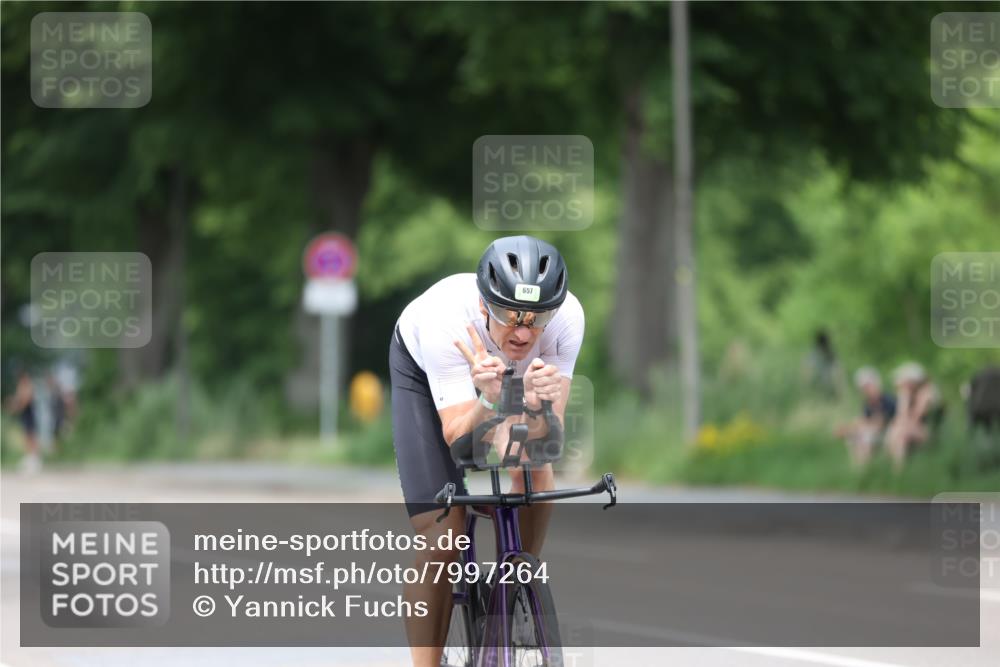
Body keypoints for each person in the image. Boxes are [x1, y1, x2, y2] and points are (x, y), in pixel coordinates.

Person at [389, 235, 583, 666]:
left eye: (536, 319)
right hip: (428, 373)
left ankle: (519, 584)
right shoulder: (445, 323)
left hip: (500, 385)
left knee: (535, 468)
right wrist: (492, 401)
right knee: (444, 533)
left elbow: (546, 440)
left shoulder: (568, 319)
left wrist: (533, 406)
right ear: (484, 306)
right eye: (510, 316)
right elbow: (461, 441)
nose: (522, 332)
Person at [885, 362, 942, 471]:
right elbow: (901, 417)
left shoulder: (927, 393)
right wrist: (904, 397)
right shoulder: (906, 394)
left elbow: (916, 418)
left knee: (897, 433)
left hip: (928, 432)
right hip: (908, 431)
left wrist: (904, 398)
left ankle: (896, 473)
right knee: (899, 437)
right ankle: (898, 473)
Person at [835, 367, 896, 468]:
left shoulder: (887, 400)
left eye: (868, 386)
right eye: (863, 388)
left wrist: (855, 428)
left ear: (876, 384)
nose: (866, 390)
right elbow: (862, 420)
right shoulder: (867, 404)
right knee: (853, 438)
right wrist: (849, 428)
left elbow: (880, 423)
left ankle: (864, 469)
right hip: (874, 432)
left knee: (864, 437)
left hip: (889, 432)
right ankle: (859, 469)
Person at [6, 370, 41, 473]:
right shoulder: (21, 386)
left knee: (31, 436)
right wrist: (14, 404)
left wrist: (15, 406)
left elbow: (25, 400)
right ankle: (29, 458)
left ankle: (34, 460)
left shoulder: (28, 386)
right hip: (25, 415)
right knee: (26, 437)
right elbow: (19, 400)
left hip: (29, 414)